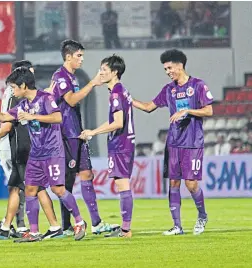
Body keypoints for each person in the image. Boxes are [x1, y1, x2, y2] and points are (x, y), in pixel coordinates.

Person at [0, 67, 88, 242]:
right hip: (36, 154)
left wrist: (34, 117)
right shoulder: (23, 105)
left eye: (14, 88)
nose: (13, 91)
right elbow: (3, 116)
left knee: (57, 189)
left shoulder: (45, 99)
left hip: (53, 152)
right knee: (31, 190)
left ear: (23, 85)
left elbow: (57, 118)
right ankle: (34, 232)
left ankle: (79, 222)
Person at [132, 49, 213, 235]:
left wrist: (188, 111)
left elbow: (208, 111)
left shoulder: (198, 85)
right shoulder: (169, 89)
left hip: (192, 142)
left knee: (191, 184)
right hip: (173, 143)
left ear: (180, 65)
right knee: (174, 183)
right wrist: (129, 99)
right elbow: (148, 107)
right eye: (165, 69)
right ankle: (177, 226)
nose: (168, 72)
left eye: (169, 68)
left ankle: (202, 215)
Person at [49, 40, 117, 235]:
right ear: (68, 56)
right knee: (66, 180)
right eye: (79, 55)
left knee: (87, 174)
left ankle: (96, 223)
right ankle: (66, 225)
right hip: (65, 134)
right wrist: (93, 84)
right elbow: (70, 100)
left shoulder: (73, 77)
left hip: (77, 133)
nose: (82, 59)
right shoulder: (60, 76)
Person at [80, 55, 134, 238]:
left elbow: (118, 122)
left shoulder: (117, 93)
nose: (100, 73)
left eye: (104, 70)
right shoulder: (119, 91)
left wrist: (93, 132)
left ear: (114, 72)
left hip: (121, 144)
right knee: (122, 184)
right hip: (123, 143)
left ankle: (126, 230)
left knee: (123, 184)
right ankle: (125, 228)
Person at [0, 60, 37, 239]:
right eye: (29, 71)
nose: (32, 74)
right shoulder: (14, 93)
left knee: (22, 187)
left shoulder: (22, 93)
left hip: (21, 146)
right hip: (13, 146)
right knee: (20, 186)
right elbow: (7, 122)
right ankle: (19, 225)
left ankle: (19, 226)